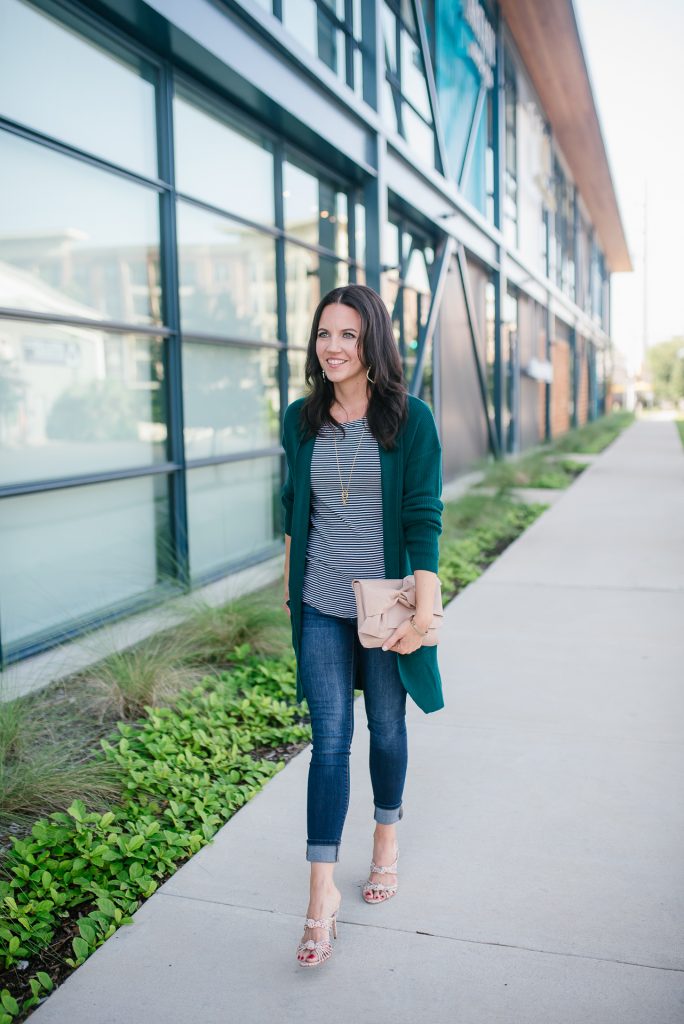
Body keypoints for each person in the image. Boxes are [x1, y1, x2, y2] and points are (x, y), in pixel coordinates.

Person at [280, 283, 444, 968]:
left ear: (372, 340)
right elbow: (291, 506)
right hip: (319, 602)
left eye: (347, 334)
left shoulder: (411, 420)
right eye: (324, 334)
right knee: (329, 743)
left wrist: (427, 612)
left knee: (389, 727)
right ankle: (322, 895)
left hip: (383, 611)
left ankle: (385, 836)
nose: (333, 347)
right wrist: (290, 594)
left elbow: (422, 518)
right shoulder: (299, 418)